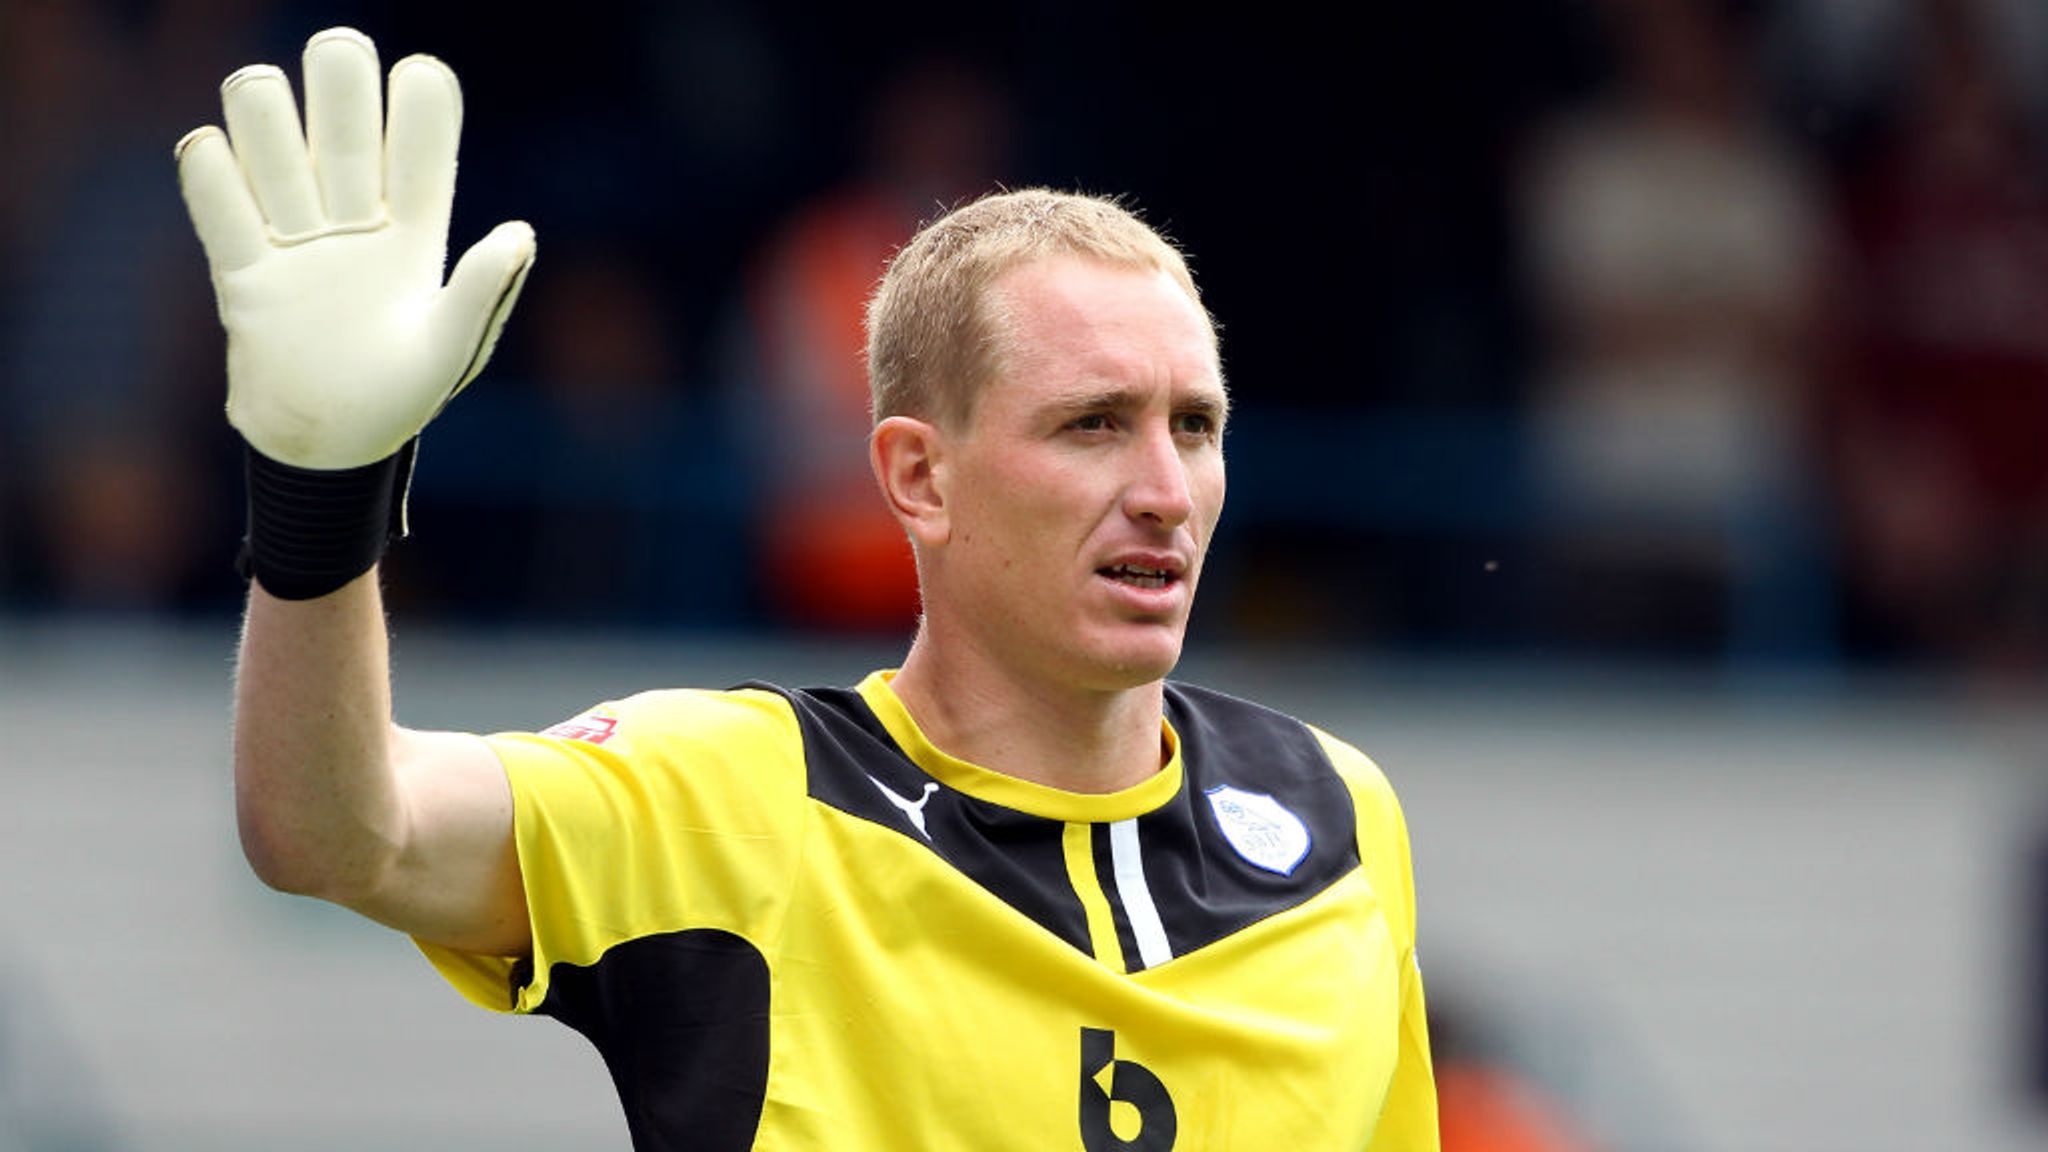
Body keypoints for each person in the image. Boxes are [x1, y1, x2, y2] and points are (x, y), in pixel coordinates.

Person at [174, 27, 1437, 1150]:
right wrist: (322, 494)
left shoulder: (1336, 814)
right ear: (918, 478)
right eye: (1092, 424)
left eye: (1195, 426)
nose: (1164, 487)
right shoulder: (734, 800)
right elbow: (337, 830)